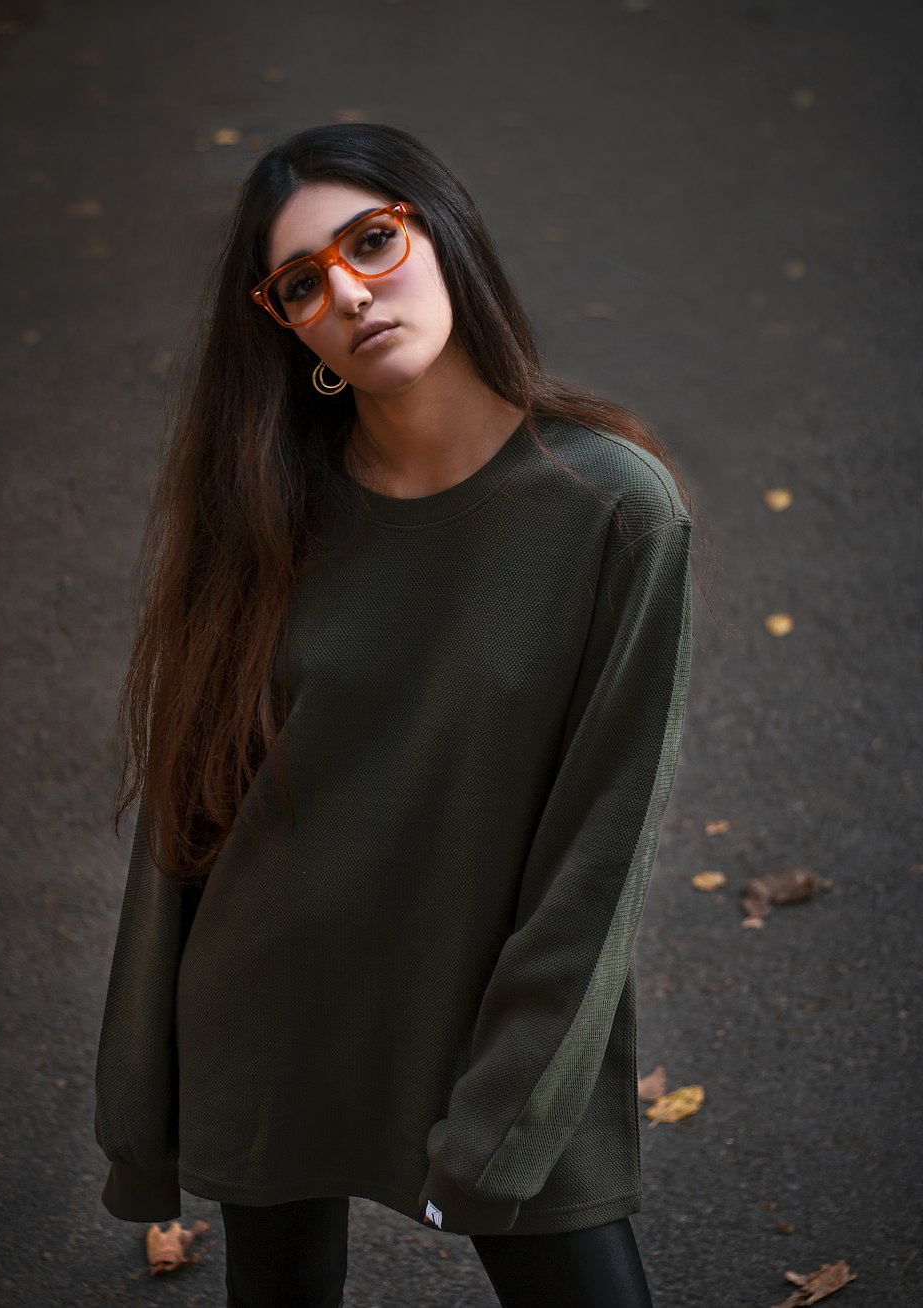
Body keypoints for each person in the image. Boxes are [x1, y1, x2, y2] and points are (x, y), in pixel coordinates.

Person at [93, 121, 706, 1308]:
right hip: (273, 1019)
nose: (351, 293)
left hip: (487, 1031)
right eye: (303, 283)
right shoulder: (271, 512)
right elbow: (191, 824)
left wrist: (505, 1115)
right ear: (288, 328)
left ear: (444, 232)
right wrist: (140, 1100)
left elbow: (600, 855)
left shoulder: (614, 512)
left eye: (374, 240)